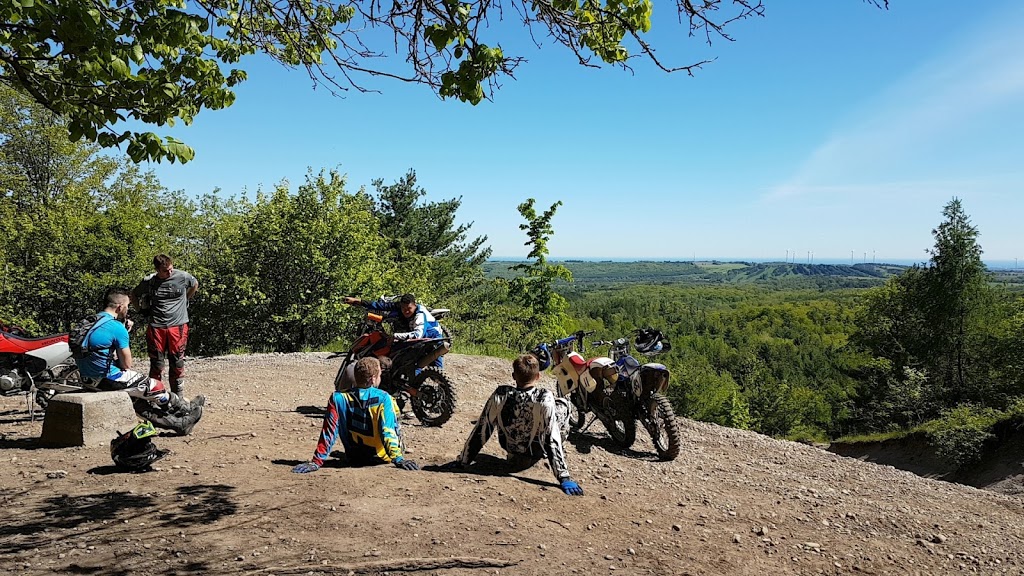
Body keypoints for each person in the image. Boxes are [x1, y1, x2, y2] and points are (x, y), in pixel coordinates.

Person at [446, 354, 584, 496]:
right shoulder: (544, 397)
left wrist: (463, 462)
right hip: (536, 450)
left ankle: (516, 453)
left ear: (513, 376)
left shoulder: (501, 395)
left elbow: (482, 429)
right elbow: (551, 437)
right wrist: (564, 477)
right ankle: (557, 455)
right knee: (562, 404)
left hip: (510, 446)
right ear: (538, 377)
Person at [77, 287, 204, 436]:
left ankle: (179, 423)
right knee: (155, 387)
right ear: (120, 307)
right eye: (127, 306)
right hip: (105, 378)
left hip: (86, 377)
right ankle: (185, 409)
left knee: (138, 400)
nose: (128, 309)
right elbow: (126, 364)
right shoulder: (116, 327)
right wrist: (123, 334)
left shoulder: (88, 322)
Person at [293, 357, 419, 473]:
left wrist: (316, 462)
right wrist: (398, 459)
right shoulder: (385, 398)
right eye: (379, 375)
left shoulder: (337, 398)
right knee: (394, 411)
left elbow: (329, 432)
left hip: (354, 458)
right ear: (373, 379)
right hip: (381, 458)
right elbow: (388, 430)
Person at [132, 254, 199, 400]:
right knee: (157, 363)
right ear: (157, 270)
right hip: (157, 326)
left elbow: (195, 284)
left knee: (177, 361)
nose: (170, 272)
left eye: (170, 269)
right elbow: (133, 294)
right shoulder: (149, 282)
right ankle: (155, 396)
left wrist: (186, 299)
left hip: (178, 325)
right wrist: (140, 310)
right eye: (165, 271)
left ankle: (178, 397)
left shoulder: (183, 276)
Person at [342, 293, 445, 368]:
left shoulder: (420, 315)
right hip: (421, 338)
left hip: (432, 339)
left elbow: (418, 335)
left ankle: (414, 387)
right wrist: (357, 301)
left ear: (415, 305)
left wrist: (395, 336)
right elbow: (379, 305)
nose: (406, 311)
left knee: (415, 364)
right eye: (403, 308)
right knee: (401, 354)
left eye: (409, 308)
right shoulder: (399, 307)